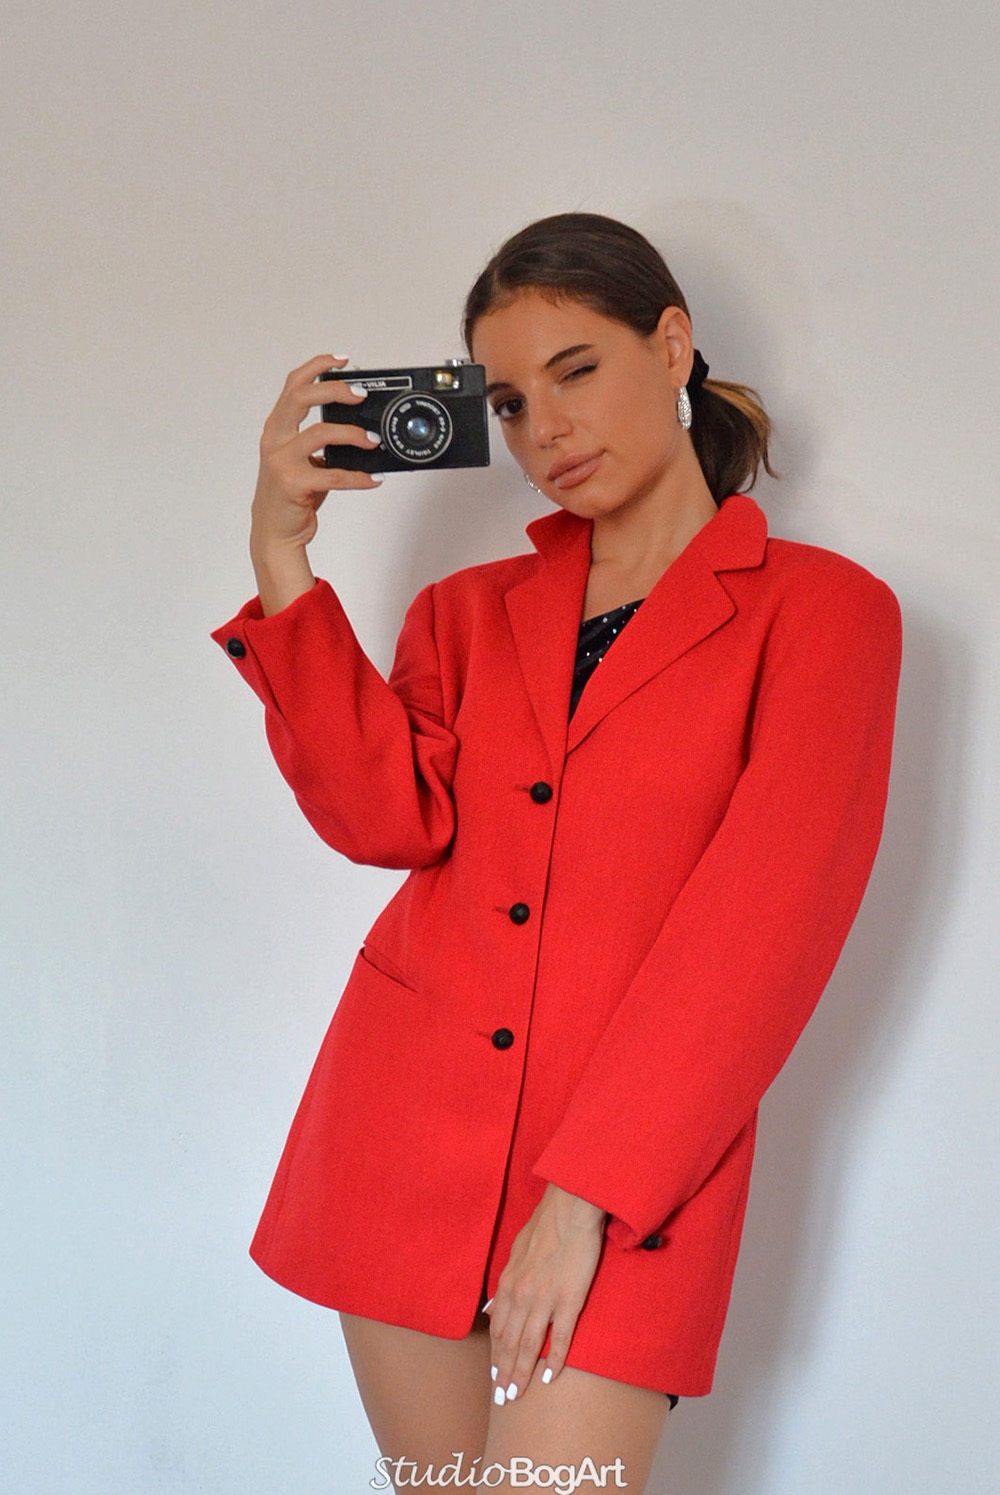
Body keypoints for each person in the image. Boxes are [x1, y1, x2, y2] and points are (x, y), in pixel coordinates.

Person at [212, 213, 902, 1492]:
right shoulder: (464, 614)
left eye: (576, 370)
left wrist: (582, 1199)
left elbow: (758, 938)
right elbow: (385, 821)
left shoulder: (824, 616)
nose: (545, 432)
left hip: (632, 1176)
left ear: (672, 344)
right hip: (402, 1142)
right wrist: (281, 556)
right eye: (510, 404)